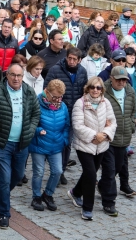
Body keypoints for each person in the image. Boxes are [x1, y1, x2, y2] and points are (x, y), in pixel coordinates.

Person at [0, 63, 41, 229]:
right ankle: (4, 214)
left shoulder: (29, 92)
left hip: (22, 144)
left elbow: (36, 114)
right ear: (7, 75)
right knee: (5, 179)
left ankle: (1, 192)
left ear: (23, 76)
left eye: (19, 75)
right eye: (13, 75)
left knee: (18, 175)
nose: (16, 78)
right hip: (2, 144)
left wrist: (30, 130)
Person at [67, 76, 117, 221]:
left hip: (101, 145)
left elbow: (112, 122)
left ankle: (75, 192)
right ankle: (87, 208)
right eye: (92, 87)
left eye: (98, 87)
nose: (95, 90)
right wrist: (95, 135)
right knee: (91, 175)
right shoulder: (80, 103)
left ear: (102, 90)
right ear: (87, 88)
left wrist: (105, 135)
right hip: (84, 145)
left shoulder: (106, 102)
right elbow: (77, 126)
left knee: (90, 173)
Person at [44, 47, 88, 184]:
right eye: (70, 58)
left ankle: (61, 171)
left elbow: (84, 91)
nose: (72, 61)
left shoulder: (82, 71)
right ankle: (55, 170)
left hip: (74, 112)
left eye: (75, 59)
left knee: (67, 143)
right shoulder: (55, 70)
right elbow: (46, 89)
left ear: (80, 60)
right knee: (57, 141)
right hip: (57, 112)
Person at [98, 67, 136, 216]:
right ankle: (109, 202)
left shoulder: (130, 91)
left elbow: (134, 110)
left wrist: (131, 124)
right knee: (109, 170)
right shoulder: (103, 90)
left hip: (124, 136)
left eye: (124, 79)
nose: (121, 82)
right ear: (111, 78)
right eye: (119, 79)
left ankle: (101, 186)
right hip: (107, 137)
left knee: (118, 167)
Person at [29, 79, 69, 211]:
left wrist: (63, 139)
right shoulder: (36, 102)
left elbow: (67, 126)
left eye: (60, 97)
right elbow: (28, 122)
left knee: (57, 171)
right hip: (39, 144)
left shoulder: (62, 106)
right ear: (47, 92)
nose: (58, 100)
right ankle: (36, 196)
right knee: (39, 172)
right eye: (55, 97)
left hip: (56, 144)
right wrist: (38, 130)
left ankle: (48, 194)